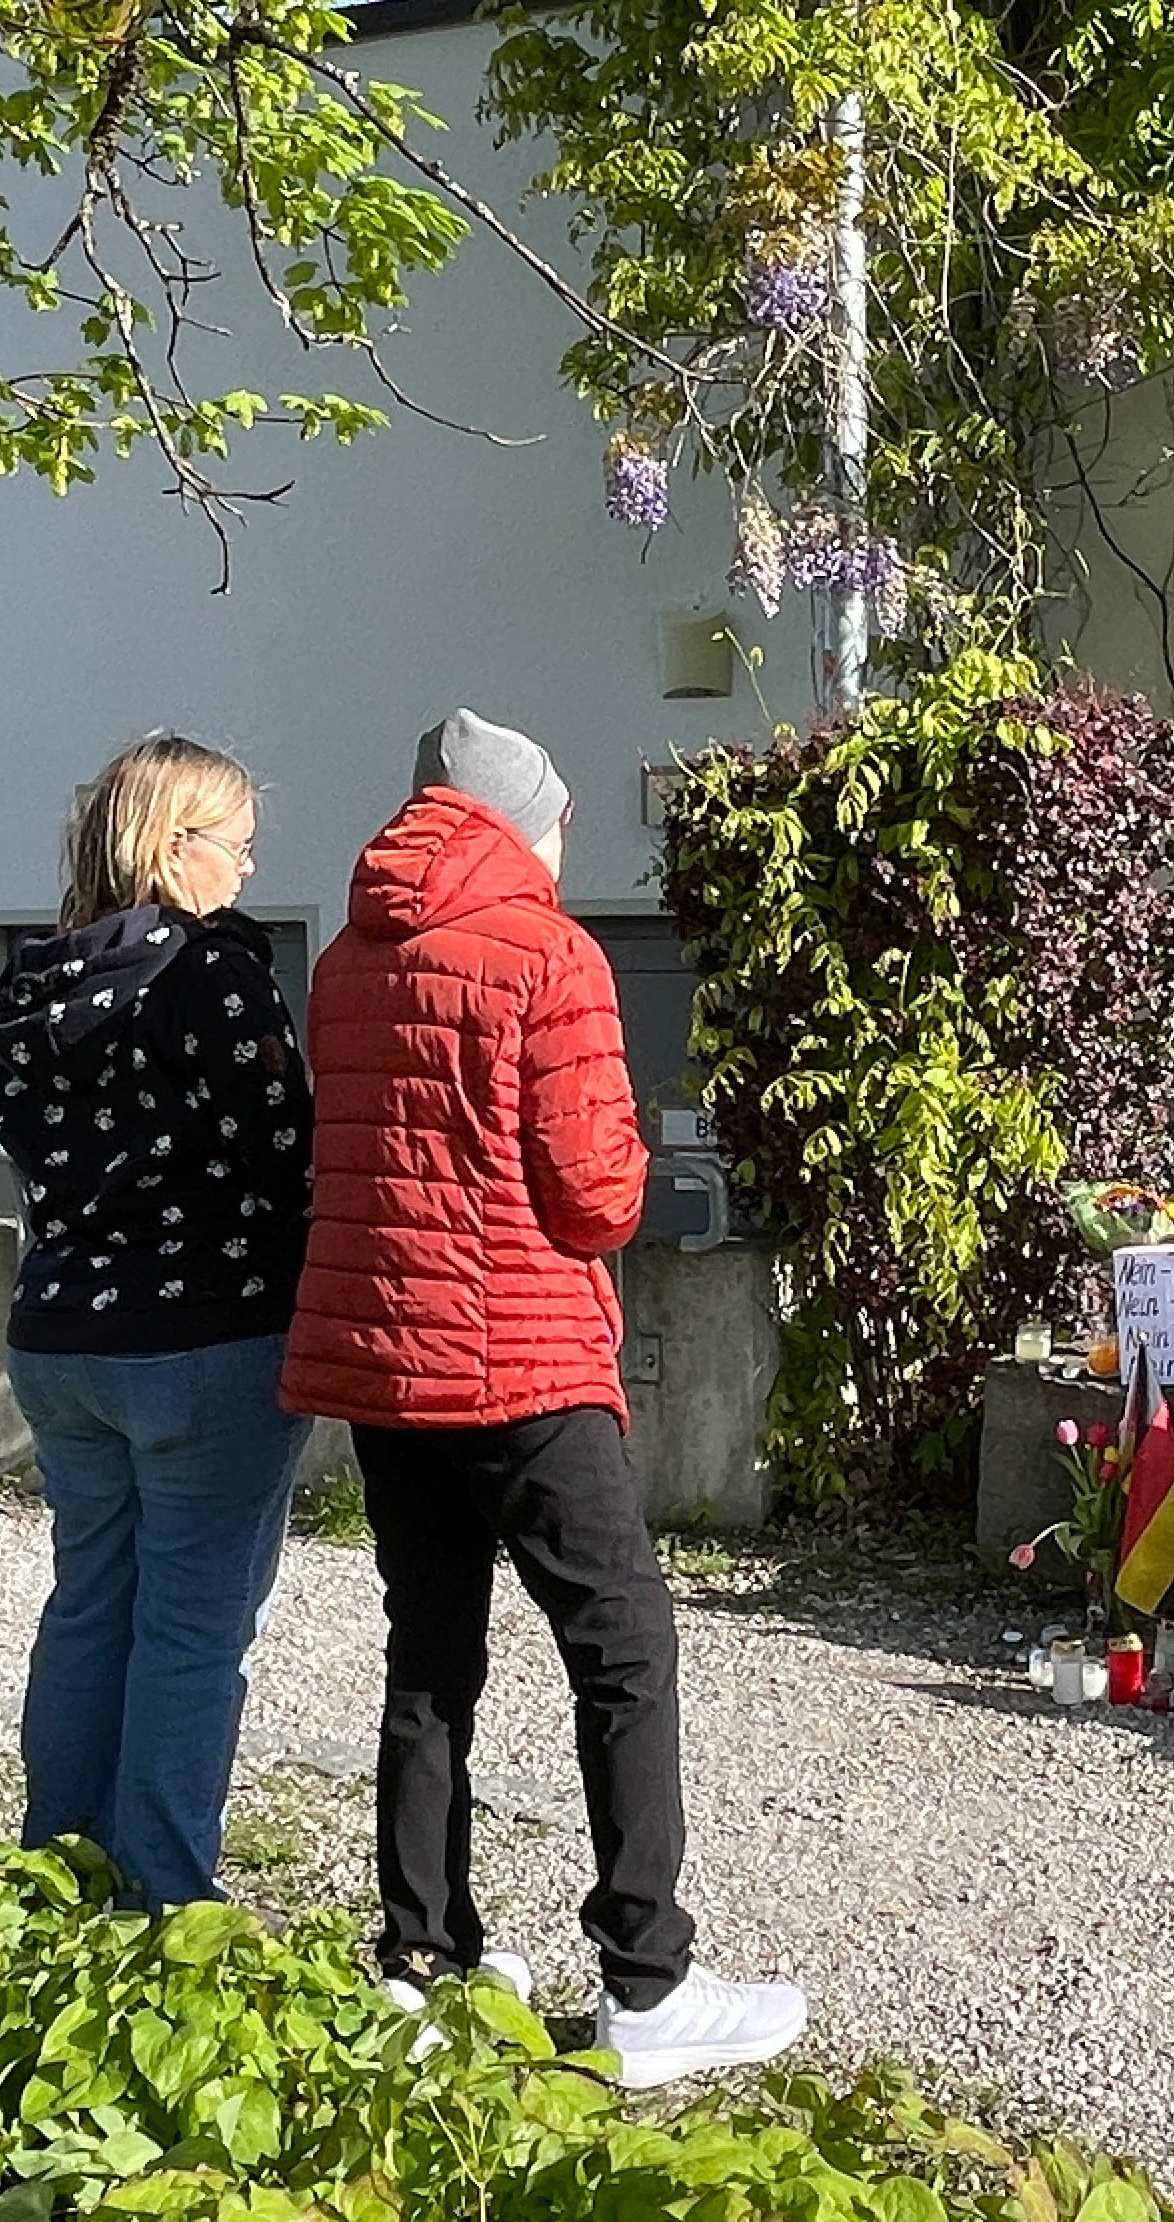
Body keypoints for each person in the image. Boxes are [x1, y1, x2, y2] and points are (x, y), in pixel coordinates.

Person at [281, 708, 805, 2089]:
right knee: (623, 1649)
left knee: (431, 1652)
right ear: (522, 818)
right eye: (562, 817)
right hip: (523, 1363)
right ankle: (647, 1979)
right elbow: (596, 1194)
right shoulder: (550, 952)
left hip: (388, 1367)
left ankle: (422, 1957)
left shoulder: (343, 960)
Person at [0, 733, 313, 1912]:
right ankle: (163, 1903)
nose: (248, 870)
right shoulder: (211, 970)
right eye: (239, 844)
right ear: (179, 845)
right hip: (202, 1336)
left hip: (61, 1333)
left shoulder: (31, 985)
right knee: (191, 1628)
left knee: (90, 1606)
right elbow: (285, 1147)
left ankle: (57, 1874)